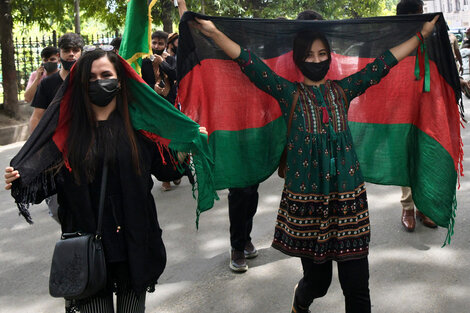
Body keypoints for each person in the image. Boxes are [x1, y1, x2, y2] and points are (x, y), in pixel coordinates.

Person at [191, 13, 438, 313]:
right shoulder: (288, 93)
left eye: (322, 53)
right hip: (307, 208)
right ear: (298, 59)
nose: (317, 59)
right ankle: (301, 299)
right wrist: (215, 34)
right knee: (318, 283)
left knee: (357, 289)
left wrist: (421, 36)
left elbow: (382, 64)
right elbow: (248, 62)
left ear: (330, 57)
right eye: (309, 55)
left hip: (349, 206)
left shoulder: (343, 91)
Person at [5, 47, 208, 313]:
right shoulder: (66, 133)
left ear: (120, 80)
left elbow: (167, 170)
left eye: (105, 75)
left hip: (135, 243)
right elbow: (42, 182)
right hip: (86, 247)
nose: (98, 82)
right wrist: (20, 177)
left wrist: (188, 144)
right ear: (79, 84)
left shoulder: (140, 128)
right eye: (90, 78)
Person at [396, 0, 437, 231]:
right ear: (409, 16)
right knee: (406, 157)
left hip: (428, 106)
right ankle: (408, 208)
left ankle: (424, 207)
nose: (425, 16)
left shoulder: (432, 37)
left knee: (426, 156)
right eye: (420, 13)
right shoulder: (392, 40)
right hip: (401, 110)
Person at [29, 33, 84, 132]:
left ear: (81, 53)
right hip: (55, 140)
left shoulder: (88, 80)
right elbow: (37, 117)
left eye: (75, 50)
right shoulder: (47, 83)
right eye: (66, 50)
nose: (71, 54)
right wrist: (35, 145)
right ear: (59, 55)